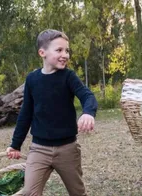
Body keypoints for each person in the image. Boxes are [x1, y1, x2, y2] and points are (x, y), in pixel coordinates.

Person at [6, 29, 98, 196]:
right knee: (29, 192)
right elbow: (25, 114)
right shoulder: (32, 79)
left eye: (67, 50)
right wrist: (15, 144)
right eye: (59, 50)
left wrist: (88, 112)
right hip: (39, 149)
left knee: (78, 193)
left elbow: (87, 96)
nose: (65, 55)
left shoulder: (68, 77)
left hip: (67, 149)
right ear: (42, 53)